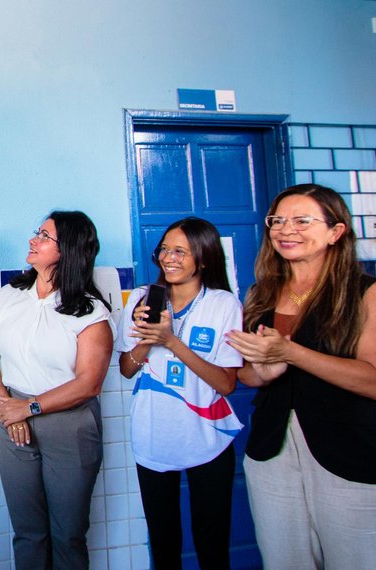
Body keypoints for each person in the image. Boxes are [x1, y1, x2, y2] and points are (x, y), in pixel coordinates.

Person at [227, 184, 376, 569]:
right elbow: (248, 376)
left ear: (335, 232)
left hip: (353, 452)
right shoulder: (262, 293)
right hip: (272, 453)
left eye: (301, 220)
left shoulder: (366, 291)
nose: (285, 229)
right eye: (277, 220)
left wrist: (292, 353)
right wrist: (263, 370)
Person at [0, 210, 113, 570]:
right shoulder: (9, 296)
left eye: (45, 236)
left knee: (67, 533)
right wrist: (7, 405)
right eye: (37, 233)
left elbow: (89, 383)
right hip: (12, 421)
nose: (33, 240)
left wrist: (30, 408)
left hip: (69, 425)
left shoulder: (90, 311)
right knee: (28, 531)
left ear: (67, 250)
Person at [115, 217, 244, 569]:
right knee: (164, 543)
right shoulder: (142, 299)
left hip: (208, 439)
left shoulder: (223, 305)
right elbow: (127, 369)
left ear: (203, 259)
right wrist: (146, 340)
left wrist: (172, 341)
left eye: (180, 251)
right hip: (153, 436)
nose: (168, 258)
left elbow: (226, 383)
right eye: (165, 250)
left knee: (212, 545)